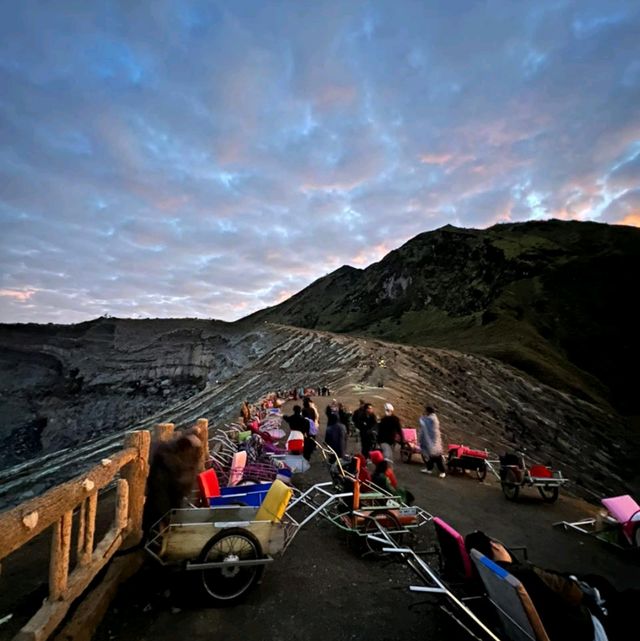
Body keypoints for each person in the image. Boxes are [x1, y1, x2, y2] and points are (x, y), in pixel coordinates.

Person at [464, 531, 638, 641]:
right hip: (585, 630)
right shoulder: (526, 575)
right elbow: (575, 594)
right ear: (495, 546)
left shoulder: (491, 578)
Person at [419, 405, 446, 477]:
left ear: (428, 411)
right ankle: (429, 468)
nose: (424, 412)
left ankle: (442, 471)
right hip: (431, 440)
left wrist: (422, 418)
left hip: (433, 440)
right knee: (428, 455)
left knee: (437, 457)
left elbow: (424, 423)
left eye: (425, 410)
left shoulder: (432, 419)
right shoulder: (432, 418)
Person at [301, 396, 319, 460]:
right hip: (312, 424)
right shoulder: (312, 409)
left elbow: (303, 418)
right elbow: (314, 417)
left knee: (306, 438)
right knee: (312, 436)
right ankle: (312, 447)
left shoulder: (303, 409)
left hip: (306, 425)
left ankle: (307, 451)